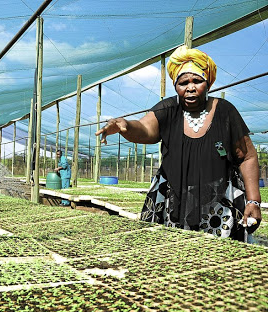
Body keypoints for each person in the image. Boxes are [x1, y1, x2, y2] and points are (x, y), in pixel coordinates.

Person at [96, 45, 261, 241]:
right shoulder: (169, 110)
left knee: (218, 259)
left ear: (208, 83)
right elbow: (145, 129)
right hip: (173, 201)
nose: (190, 87)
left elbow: (247, 157)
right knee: (174, 253)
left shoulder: (225, 112)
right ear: (175, 86)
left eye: (197, 81)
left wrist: (254, 201)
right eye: (184, 83)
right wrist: (125, 126)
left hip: (219, 203)